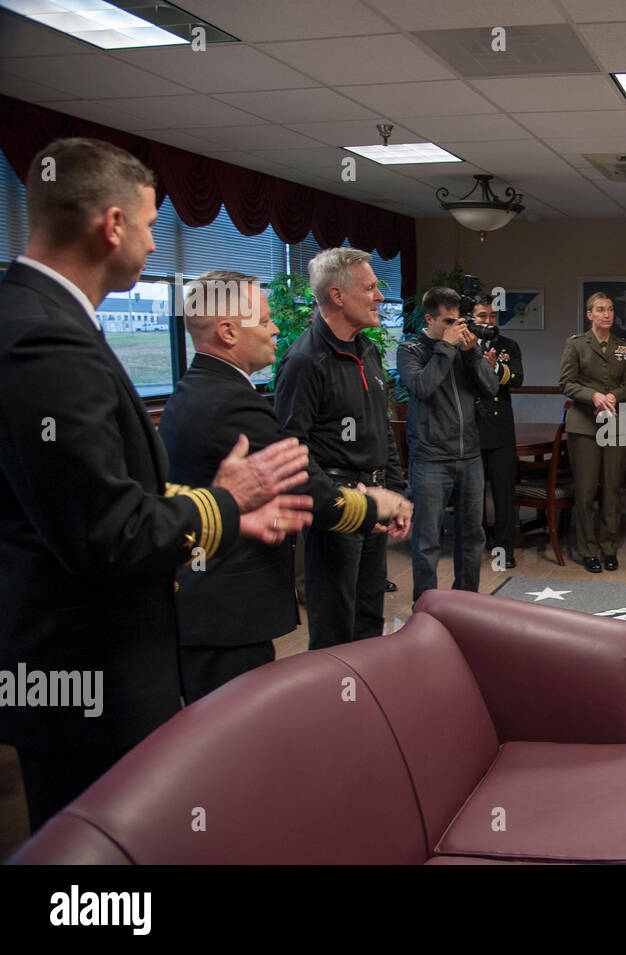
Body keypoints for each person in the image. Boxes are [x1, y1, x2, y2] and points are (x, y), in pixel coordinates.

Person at [0, 137, 313, 831]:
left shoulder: (41, 318)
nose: (151, 244)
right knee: (102, 851)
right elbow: (106, 532)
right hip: (87, 671)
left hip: (93, 661)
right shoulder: (43, 340)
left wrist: (226, 513)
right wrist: (227, 501)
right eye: (147, 226)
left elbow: (94, 497)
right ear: (111, 225)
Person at [160, 271, 411, 702]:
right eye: (265, 320)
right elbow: (306, 484)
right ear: (228, 332)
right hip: (227, 607)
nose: (276, 328)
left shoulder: (195, 388)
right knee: (237, 739)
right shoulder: (232, 402)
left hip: (207, 598)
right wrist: (375, 505)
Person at [275, 247, 405, 649]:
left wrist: (395, 496)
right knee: (334, 621)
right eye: (369, 288)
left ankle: (362, 701)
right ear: (337, 295)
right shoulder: (304, 361)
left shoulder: (367, 350)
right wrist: (342, 503)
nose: (380, 297)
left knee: (369, 613)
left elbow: (380, 429)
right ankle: (333, 706)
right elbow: (292, 447)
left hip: (374, 497)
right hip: (336, 506)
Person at [398, 286, 500, 597]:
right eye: (447, 322)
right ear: (429, 318)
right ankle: (426, 607)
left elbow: (490, 386)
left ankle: (465, 603)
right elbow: (422, 386)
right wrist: (445, 347)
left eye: (459, 320)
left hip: (469, 456)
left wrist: (469, 354)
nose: (456, 328)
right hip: (430, 458)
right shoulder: (411, 350)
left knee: (472, 536)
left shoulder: (464, 349)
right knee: (428, 540)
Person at [560, 292, 626, 572]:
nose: (607, 314)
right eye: (601, 310)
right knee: (586, 490)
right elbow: (566, 383)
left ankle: (608, 547)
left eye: (611, 309)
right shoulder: (576, 345)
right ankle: (588, 549)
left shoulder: (624, 348)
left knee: (612, 488)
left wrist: (613, 396)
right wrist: (592, 396)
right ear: (589, 314)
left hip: (614, 423)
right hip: (584, 426)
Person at [472, 295, 523, 568]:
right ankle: (471, 546)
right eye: (482, 316)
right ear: (471, 317)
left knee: (504, 494)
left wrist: (497, 367)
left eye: (493, 316)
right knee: (471, 494)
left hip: (501, 429)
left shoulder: (508, 345)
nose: (488, 321)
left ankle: (504, 549)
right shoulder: (462, 345)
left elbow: (517, 378)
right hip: (471, 429)